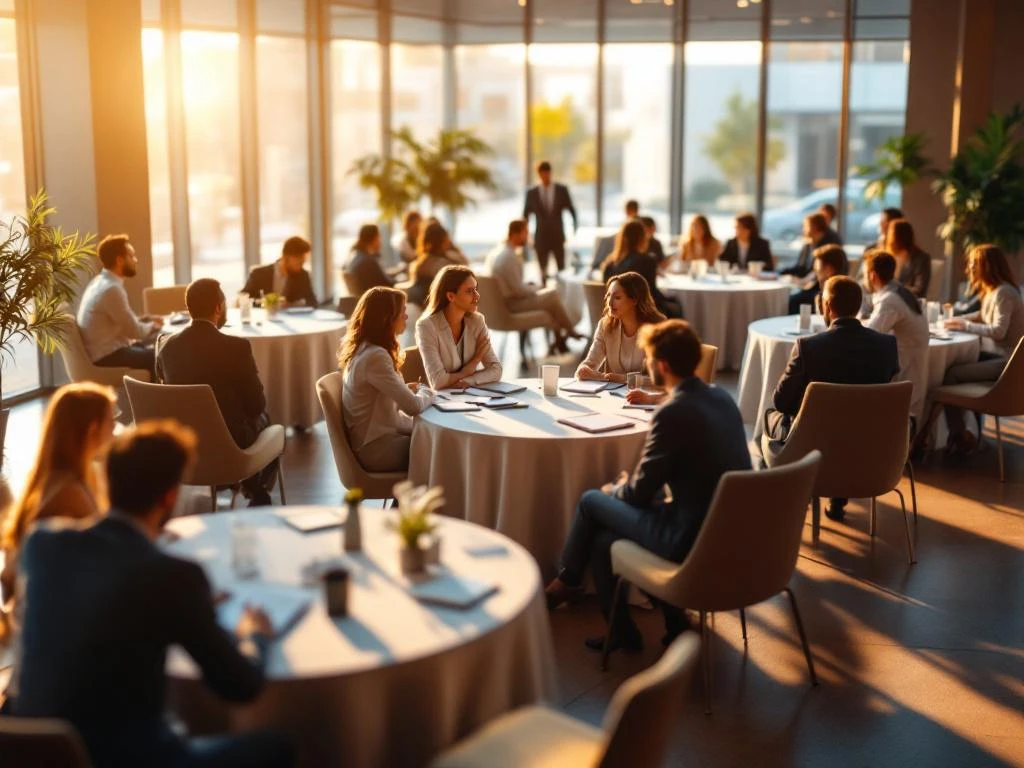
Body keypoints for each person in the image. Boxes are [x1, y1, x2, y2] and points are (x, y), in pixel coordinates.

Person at [6, 421, 293, 768]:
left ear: (107, 483)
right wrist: (255, 637)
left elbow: (96, 608)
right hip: (129, 760)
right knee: (277, 745)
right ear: (170, 496)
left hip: (25, 751)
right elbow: (241, 686)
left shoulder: (44, 544)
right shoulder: (172, 577)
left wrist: (185, 610)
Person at [546, 320, 751, 653]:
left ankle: (568, 580)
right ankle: (651, 627)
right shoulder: (722, 398)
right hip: (733, 536)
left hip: (688, 541)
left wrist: (617, 490)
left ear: (663, 365)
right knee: (602, 540)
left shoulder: (672, 413)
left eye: (649, 359)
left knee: (591, 501)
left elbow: (639, 494)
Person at [762, 276, 899, 522]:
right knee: (847, 419)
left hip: (813, 445)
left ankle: (786, 507)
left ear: (826, 306)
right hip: (868, 446)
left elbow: (782, 402)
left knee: (769, 417)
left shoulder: (809, 347)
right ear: (858, 306)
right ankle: (837, 499)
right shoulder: (887, 345)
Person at [0, 383, 116, 630]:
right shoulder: (69, 491)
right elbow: (108, 553)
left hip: (49, 607)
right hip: (55, 620)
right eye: (111, 423)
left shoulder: (60, 477)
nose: (115, 431)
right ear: (93, 429)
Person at [156, 278, 278, 506]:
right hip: (230, 444)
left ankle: (247, 486)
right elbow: (256, 405)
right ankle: (255, 489)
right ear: (218, 308)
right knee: (267, 420)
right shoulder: (237, 348)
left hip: (182, 440)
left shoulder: (168, 348)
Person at [933, 244, 1024, 455]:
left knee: (953, 373)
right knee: (956, 363)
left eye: (974, 264)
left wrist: (964, 325)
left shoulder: (1004, 293)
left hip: (1006, 363)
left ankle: (959, 434)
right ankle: (966, 432)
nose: (970, 269)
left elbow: (999, 331)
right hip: (997, 357)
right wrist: (954, 320)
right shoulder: (993, 291)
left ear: (987, 266)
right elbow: (981, 317)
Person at [340, 287, 434, 472]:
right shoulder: (376, 356)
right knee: (444, 449)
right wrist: (427, 391)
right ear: (387, 318)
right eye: (402, 313)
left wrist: (404, 389)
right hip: (377, 450)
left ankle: (407, 500)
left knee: (436, 442)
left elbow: (374, 398)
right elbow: (413, 407)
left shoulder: (364, 349)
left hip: (374, 441)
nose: (406, 317)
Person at [487, 219, 584, 353]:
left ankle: (561, 339)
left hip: (508, 301)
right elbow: (519, 290)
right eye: (525, 233)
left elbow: (513, 285)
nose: (528, 237)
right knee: (552, 294)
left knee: (550, 301)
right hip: (513, 304)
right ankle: (569, 331)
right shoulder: (508, 257)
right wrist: (537, 288)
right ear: (515, 234)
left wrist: (530, 286)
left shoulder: (499, 253)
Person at [77, 234, 163, 377]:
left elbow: (121, 322)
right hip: (107, 355)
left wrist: (145, 320)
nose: (135, 260)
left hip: (104, 349)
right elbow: (136, 333)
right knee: (160, 354)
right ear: (119, 260)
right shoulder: (112, 289)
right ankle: (157, 397)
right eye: (132, 256)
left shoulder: (99, 282)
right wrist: (154, 325)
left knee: (151, 347)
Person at [862, 251, 930, 422]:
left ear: (872, 275)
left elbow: (869, 334)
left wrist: (855, 319)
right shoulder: (901, 292)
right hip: (915, 364)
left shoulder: (890, 300)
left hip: (902, 370)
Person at [415, 265, 503, 389]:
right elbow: (438, 381)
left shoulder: (477, 321)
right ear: (451, 296)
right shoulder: (426, 326)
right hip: (442, 401)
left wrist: (468, 380)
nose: (477, 295)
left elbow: (496, 369)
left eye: (476, 289)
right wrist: (472, 364)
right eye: (469, 291)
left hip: (470, 397)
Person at [575, 272, 666, 383]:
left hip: (645, 397)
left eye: (617, 297)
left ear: (634, 300)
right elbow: (587, 366)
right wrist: (584, 371)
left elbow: (661, 379)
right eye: (608, 295)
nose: (610, 302)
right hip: (612, 396)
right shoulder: (606, 326)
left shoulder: (657, 328)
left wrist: (622, 379)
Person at [601, 220, 682, 319]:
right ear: (642, 238)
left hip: (614, 314)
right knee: (675, 305)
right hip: (640, 314)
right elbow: (651, 293)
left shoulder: (609, 264)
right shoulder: (647, 261)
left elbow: (607, 293)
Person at [523, 161, 578, 281]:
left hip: (558, 235)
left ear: (550, 173)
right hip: (541, 236)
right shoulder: (532, 193)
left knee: (561, 269)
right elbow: (525, 215)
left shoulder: (561, 190)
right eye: (542, 174)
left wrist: (575, 227)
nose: (544, 176)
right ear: (538, 174)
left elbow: (571, 209)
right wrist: (526, 236)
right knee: (542, 270)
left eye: (546, 173)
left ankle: (562, 294)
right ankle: (544, 295)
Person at [407, 220, 468, 308]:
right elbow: (465, 264)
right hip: (437, 308)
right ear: (442, 241)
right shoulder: (442, 264)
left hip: (423, 307)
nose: (449, 241)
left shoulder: (419, 263)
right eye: (447, 239)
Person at [242, 235, 318, 307]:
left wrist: (290, 305)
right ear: (286, 256)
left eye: (303, 261)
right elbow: (244, 298)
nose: (301, 264)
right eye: (298, 260)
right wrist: (266, 303)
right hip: (262, 317)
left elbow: (313, 303)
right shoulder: (259, 274)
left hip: (291, 319)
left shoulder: (303, 275)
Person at [787, 244, 847, 315]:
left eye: (817, 266)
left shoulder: (827, 298)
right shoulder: (844, 289)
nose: (815, 269)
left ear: (829, 269)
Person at [781, 212, 842, 279]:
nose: (803, 230)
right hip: (802, 281)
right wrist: (781, 273)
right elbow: (800, 267)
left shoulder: (829, 246)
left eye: (806, 226)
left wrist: (803, 281)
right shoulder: (808, 244)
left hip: (816, 284)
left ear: (815, 227)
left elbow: (821, 272)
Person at [344, 224, 396, 295]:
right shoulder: (368, 261)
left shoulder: (356, 256)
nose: (380, 240)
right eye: (379, 236)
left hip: (363, 299)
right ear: (374, 238)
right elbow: (388, 284)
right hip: (375, 300)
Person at [886, 218, 931, 298]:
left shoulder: (921, 259)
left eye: (891, 234)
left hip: (908, 303)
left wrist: (893, 290)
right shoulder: (889, 257)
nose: (888, 238)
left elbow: (919, 290)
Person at [590, 199, 639, 272]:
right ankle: (596, 264)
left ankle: (596, 264)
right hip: (623, 253)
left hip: (625, 253)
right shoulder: (628, 222)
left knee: (604, 242)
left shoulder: (636, 225)